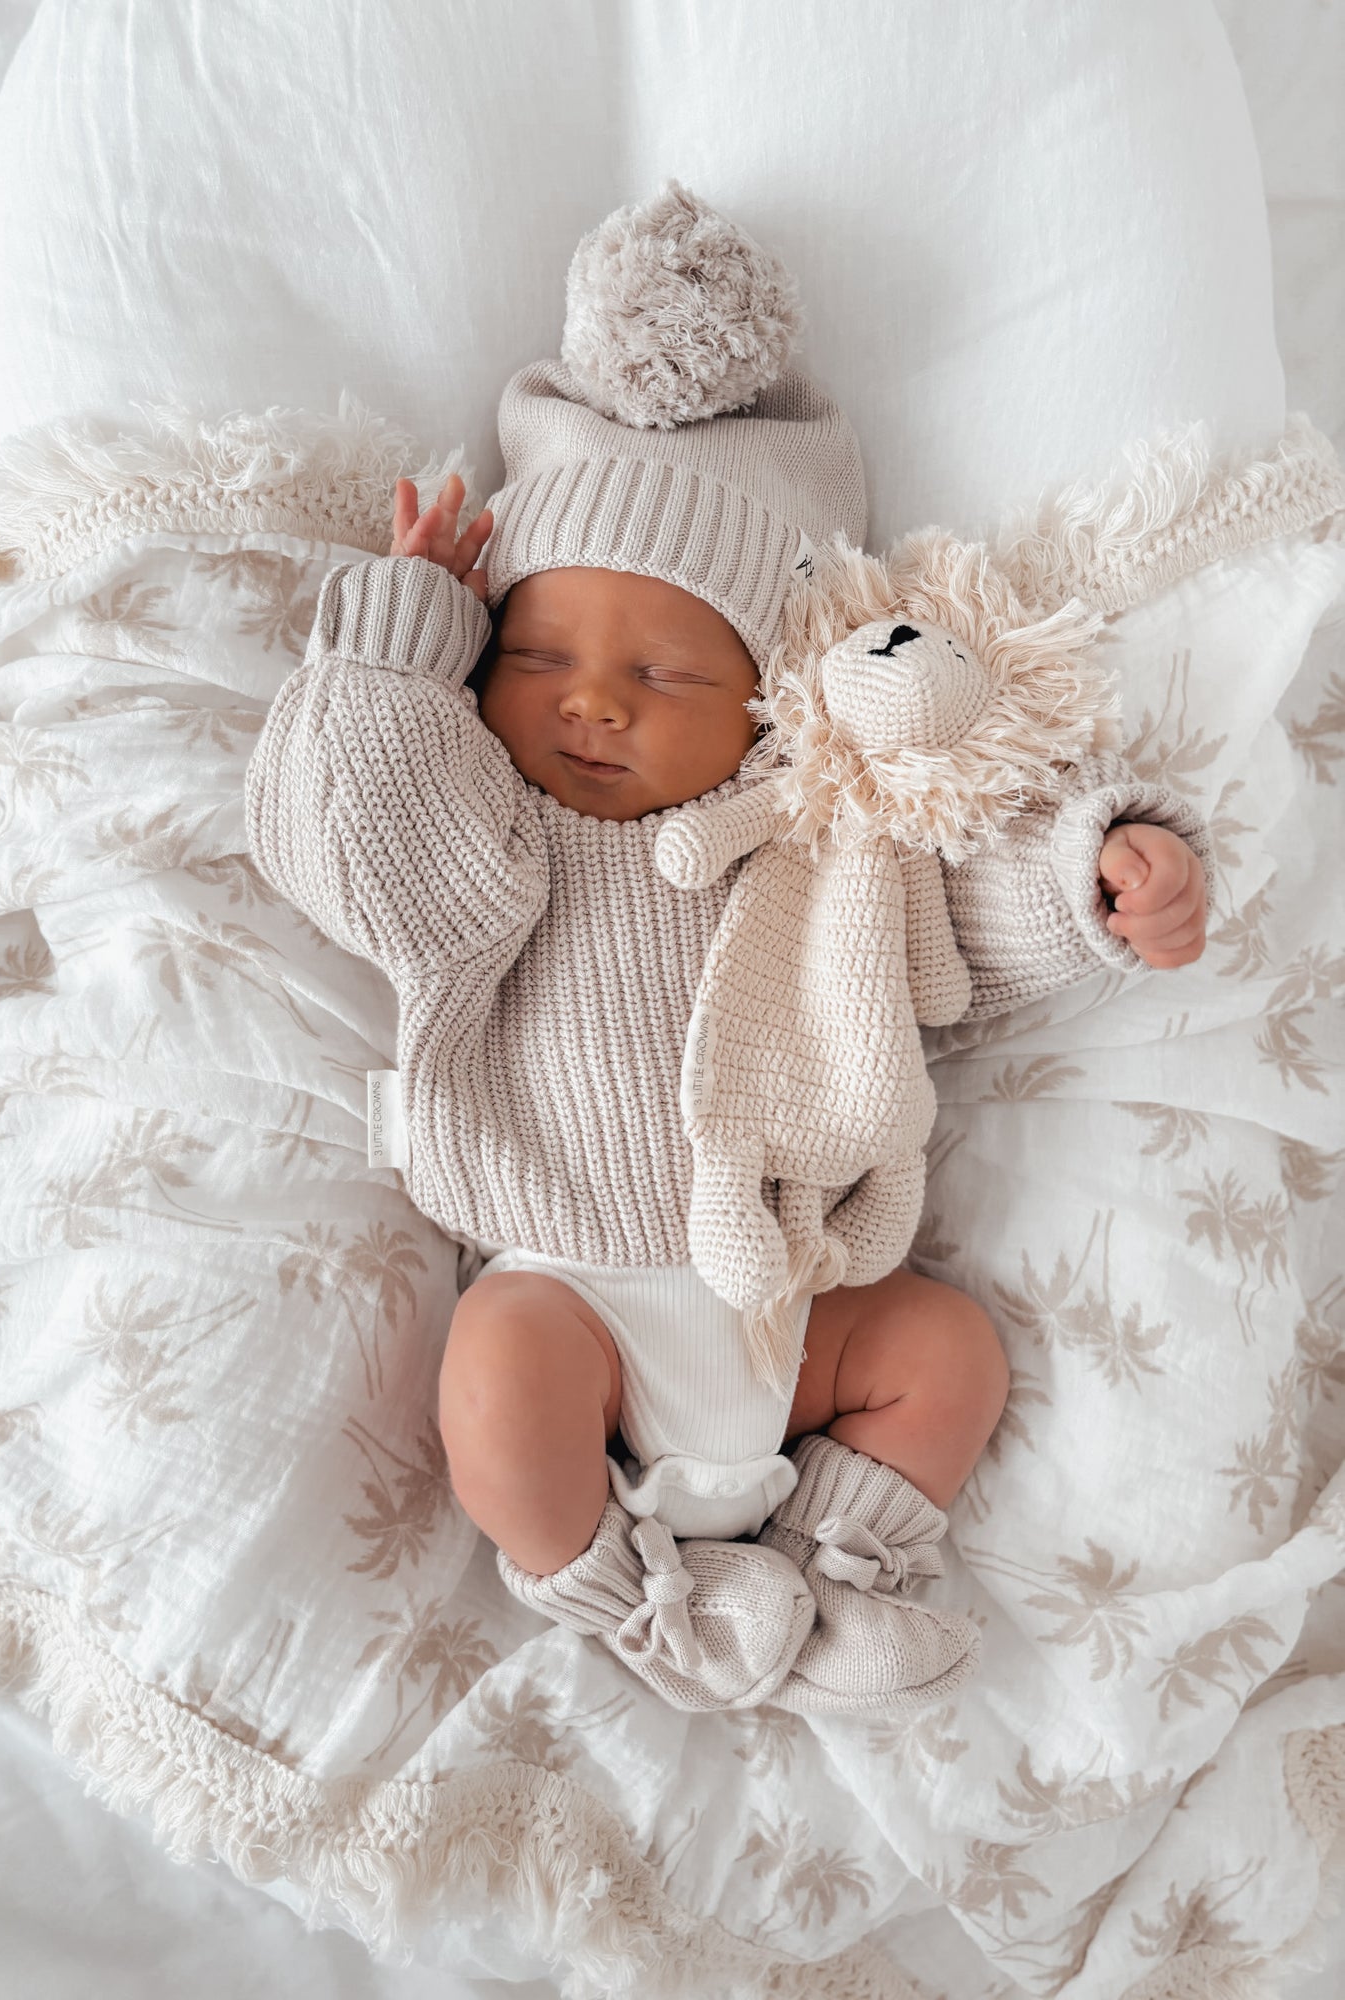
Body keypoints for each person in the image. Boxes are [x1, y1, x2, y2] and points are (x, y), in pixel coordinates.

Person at [246, 184, 1209, 1717]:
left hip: (798, 1311)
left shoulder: (826, 851)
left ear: (770, 696)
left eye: (666, 667)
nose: (591, 702)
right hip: (572, 1300)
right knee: (494, 1381)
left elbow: (950, 934)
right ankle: (646, 1613)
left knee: (948, 1351)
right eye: (540, 654)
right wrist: (400, 640)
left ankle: (830, 1583)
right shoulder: (498, 837)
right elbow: (350, 830)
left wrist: (1090, 884)